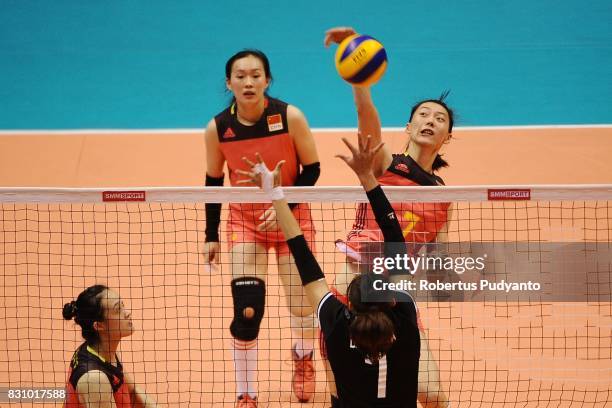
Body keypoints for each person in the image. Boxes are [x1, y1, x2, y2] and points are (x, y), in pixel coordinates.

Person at [237, 133, 448, 407]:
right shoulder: (406, 317)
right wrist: (368, 179)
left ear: (350, 307)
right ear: (392, 300)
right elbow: (394, 234)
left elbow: (302, 255)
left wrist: (274, 194)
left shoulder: (336, 326)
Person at [324, 27, 452, 407]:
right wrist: (360, 82)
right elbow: (367, 120)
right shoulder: (385, 163)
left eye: (440, 118)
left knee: (432, 395)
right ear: (409, 127)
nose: (431, 119)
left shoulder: (444, 195)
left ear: (447, 136)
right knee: (348, 394)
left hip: (397, 297)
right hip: (357, 286)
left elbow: (438, 255)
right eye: (423, 115)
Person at [203, 49, 321, 406]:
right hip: (245, 223)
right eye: (240, 75)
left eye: (256, 75)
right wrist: (211, 235)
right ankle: (246, 392)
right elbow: (211, 181)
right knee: (248, 309)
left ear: (267, 80)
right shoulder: (218, 128)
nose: (248, 82)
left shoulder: (290, 117)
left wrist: (288, 206)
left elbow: (312, 169)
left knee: (302, 306)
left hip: (291, 219)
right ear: (229, 83)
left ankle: (303, 360)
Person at [63, 285, 157, 408]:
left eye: (123, 305)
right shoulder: (95, 380)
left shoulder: (101, 351)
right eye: (118, 309)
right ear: (99, 326)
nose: (128, 313)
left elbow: (133, 391)